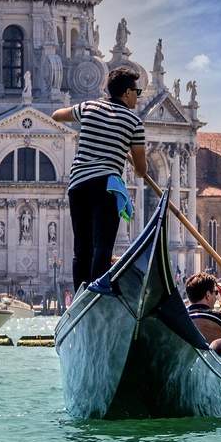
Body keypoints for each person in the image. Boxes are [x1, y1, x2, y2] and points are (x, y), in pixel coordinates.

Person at [52, 68, 148, 291]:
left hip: (78, 185)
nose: (138, 96)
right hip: (105, 185)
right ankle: (97, 293)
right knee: (102, 246)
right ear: (127, 93)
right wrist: (125, 149)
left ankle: (81, 292)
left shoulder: (89, 107)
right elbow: (141, 170)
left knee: (82, 247)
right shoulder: (134, 123)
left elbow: (57, 115)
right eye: (137, 92)